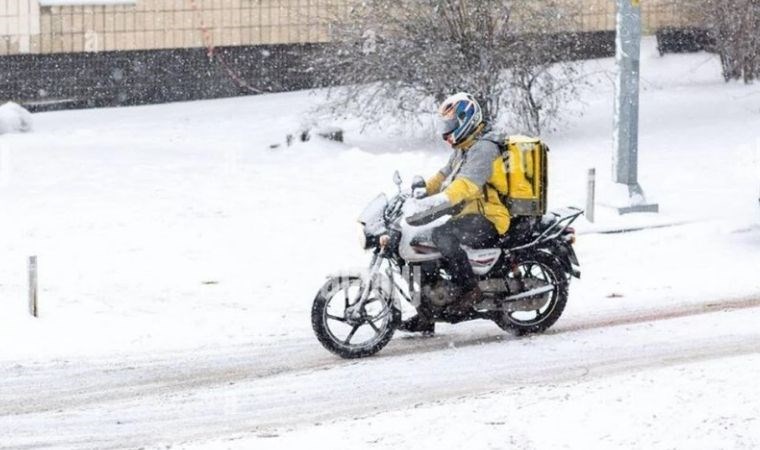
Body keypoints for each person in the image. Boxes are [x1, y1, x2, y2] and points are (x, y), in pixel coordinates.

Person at [400, 92, 510, 333]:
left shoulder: (484, 148)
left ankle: (470, 289)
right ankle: (427, 312)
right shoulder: (465, 146)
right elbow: (443, 176)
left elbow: (467, 185)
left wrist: (441, 199)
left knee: (442, 236)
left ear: (466, 120)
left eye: (450, 125)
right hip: (469, 212)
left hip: (490, 216)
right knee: (423, 241)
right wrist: (419, 193)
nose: (446, 132)